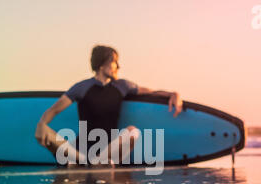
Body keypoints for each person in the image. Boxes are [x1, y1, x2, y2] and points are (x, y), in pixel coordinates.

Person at [35, 45, 183, 166]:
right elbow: (53, 110)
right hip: (79, 152)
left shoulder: (122, 86)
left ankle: (95, 162)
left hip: (107, 152)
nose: (118, 66)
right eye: (114, 61)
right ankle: (84, 162)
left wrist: (173, 94)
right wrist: (41, 124)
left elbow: (151, 92)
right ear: (101, 64)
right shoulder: (82, 87)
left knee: (133, 132)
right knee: (45, 129)